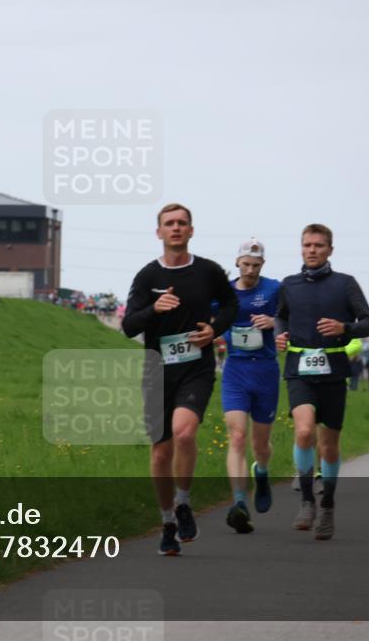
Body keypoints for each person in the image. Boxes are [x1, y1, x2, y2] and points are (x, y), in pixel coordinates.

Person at [122, 204, 237, 556]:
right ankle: (168, 519)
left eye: (181, 223)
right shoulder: (146, 277)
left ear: (191, 230)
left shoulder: (208, 271)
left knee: (185, 432)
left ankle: (184, 501)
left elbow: (231, 306)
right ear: (159, 232)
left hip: (196, 367)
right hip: (158, 370)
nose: (175, 228)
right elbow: (129, 326)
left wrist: (214, 330)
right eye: (168, 224)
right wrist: (153, 310)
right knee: (160, 453)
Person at [275, 224, 369, 540]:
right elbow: (281, 315)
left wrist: (344, 328)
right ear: (301, 248)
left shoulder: (345, 284)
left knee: (328, 444)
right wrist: (280, 333)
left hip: (333, 370)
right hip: (299, 368)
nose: (313, 250)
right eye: (307, 245)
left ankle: (328, 504)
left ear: (330, 249)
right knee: (304, 430)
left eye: (319, 245)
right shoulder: (289, 285)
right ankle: (307, 501)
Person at [219, 238, 281, 534]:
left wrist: (275, 322)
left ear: (263, 265)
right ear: (237, 263)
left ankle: (263, 471)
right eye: (246, 264)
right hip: (235, 371)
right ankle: (240, 503)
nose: (251, 270)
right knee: (238, 437)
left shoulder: (274, 289)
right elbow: (208, 319)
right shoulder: (225, 293)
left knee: (260, 444)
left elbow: (292, 317)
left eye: (256, 265)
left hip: (266, 371)